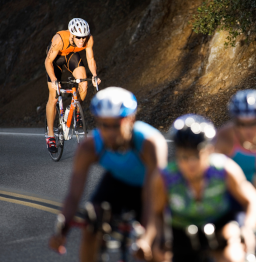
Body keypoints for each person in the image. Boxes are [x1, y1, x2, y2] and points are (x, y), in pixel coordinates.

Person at [48, 87, 167, 262]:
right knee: (91, 221)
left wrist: (146, 238)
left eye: (116, 125)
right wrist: (62, 230)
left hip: (151, 189)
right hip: (118, 182)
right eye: (104, 125)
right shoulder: (89, 147)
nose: (110, 132)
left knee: (158, 248)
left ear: (131, 119)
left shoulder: (150, 144)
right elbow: (74, 195)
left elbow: (152, 196)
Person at [146, 114, 256, 262]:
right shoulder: (164, 177)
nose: (190, 163)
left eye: (196, 155)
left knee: (232, 257)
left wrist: (248, 228)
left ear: (208, 150)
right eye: (184, 156)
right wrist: (158, 239)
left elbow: (252, 200)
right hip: (182, 230)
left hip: (221, 224)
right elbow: (156, 212)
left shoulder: (225, 169)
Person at [45, 18, 101, 153]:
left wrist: (94, 75)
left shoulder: (88, 39)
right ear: (71, 34)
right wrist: (53, 80)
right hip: (55, 58)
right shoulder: (59, 39)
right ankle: (51, 135)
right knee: (53, 97)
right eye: (78, 38)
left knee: (83, 83)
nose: (82, 41)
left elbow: (90, 58)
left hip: (71, 56)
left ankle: (74, 109)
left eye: (84, 37)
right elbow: (48, 62)